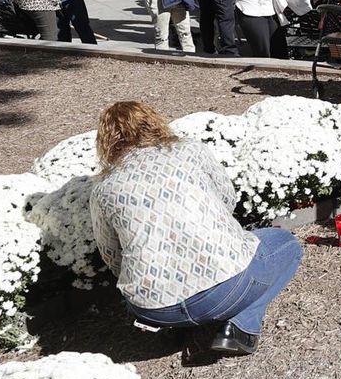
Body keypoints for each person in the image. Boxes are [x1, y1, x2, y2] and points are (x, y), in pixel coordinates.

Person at [91, 101, 301, 355]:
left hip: (152, 309)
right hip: (224, 288)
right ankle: (240, 327)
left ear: (107, 141)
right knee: (287, 244)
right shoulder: (190, 150)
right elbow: (227, 198)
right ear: (154, 122)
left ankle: (174, 326)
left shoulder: (104, 187)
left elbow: (111, 254)